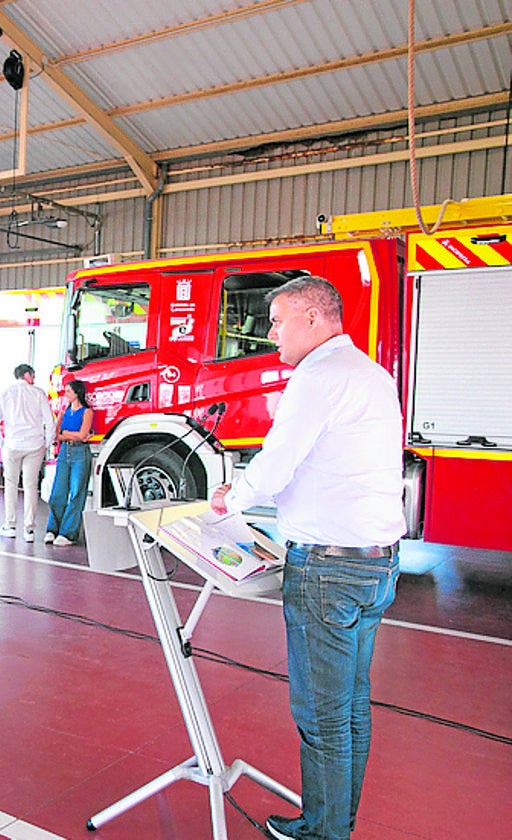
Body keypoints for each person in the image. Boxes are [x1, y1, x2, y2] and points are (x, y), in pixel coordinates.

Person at [208, 276, 404, 840]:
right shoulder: (371, 373)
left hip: (327, 570)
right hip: (376, 563)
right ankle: (334, 822)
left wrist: (230, 499)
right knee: (351, 707)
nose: (269, 334)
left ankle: (324, 833)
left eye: (277, 320)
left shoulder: (317, 378)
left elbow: (274, 466)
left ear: (314, 320)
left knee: (321, 717)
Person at [0, 363, 52, 542]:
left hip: (12, 445)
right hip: (35, 445)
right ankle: (29, 530)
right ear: (27, 375)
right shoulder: (39, 393)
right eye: (33, 376)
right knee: (31, 486)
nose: (34, 379)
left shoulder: (5, 393)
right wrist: (46, 444)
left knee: (10, 485)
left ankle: (10, 526)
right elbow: (50, 421)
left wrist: (3, 444)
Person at [45, 380, 94, 547]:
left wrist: (64, 433)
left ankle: (68, 533)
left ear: (76, 393)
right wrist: (69, 435)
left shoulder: (87, 412)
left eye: (68, 391)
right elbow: (55, 434)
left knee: (76, 493)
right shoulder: (63, 412)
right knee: (57, 493)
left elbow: (82, 435)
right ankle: (53, 528)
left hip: (80, 453)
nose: (65, 394)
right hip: (64, 453)